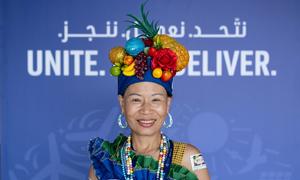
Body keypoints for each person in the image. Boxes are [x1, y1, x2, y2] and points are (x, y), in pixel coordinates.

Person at [88, 2, 210, 180]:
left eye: (155, 100)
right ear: (122, 103)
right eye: (136, 99)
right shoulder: (105, 162)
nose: (146, 110)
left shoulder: (188, 157)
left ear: (168, 103)